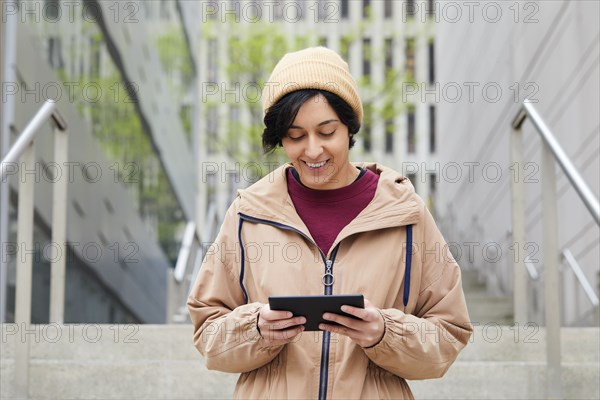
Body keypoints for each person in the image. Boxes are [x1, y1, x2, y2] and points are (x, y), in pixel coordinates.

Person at [188, 46, 472, 399]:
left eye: (326, 132)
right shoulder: (248, 214)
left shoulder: (406, 213)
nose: (312, 150)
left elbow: (449, 333)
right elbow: (208, 335)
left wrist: (385, 332)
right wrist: (255, 328)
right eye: (295, 135)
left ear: (349, 128)